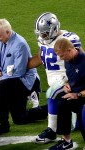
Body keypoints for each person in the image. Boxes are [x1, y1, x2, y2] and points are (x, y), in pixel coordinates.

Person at [27, 12, 83, 143]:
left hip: (68, 80)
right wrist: (21, 67)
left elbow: (81, 58)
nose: (42, 36)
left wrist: (74, 80)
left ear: (54, 29)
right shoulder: (42, 41)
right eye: (40, 33)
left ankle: (51, 131)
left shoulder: (68, 39)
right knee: (73, 123)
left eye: (45, 33)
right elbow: (40, 58)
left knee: (51, 94)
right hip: (55, 82)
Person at [0, 18, 47, 136]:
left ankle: (3, 123)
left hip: (25, 80)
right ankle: (51, 108)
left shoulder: (20, 44)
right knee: (20, 119)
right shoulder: (0, 40)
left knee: (1, 86)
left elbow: (19, 72)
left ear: (8, 32)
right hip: (10, 79)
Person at [48, 38, 85, 149]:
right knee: (62, 103)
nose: (60, 58)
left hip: (82, 96)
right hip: (76, 95)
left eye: (62, 55)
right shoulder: (68, 60)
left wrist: (77, 95)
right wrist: (68, 85)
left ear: (69, 50)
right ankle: (67, 141)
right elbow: (72, 77)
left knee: (82, 111)